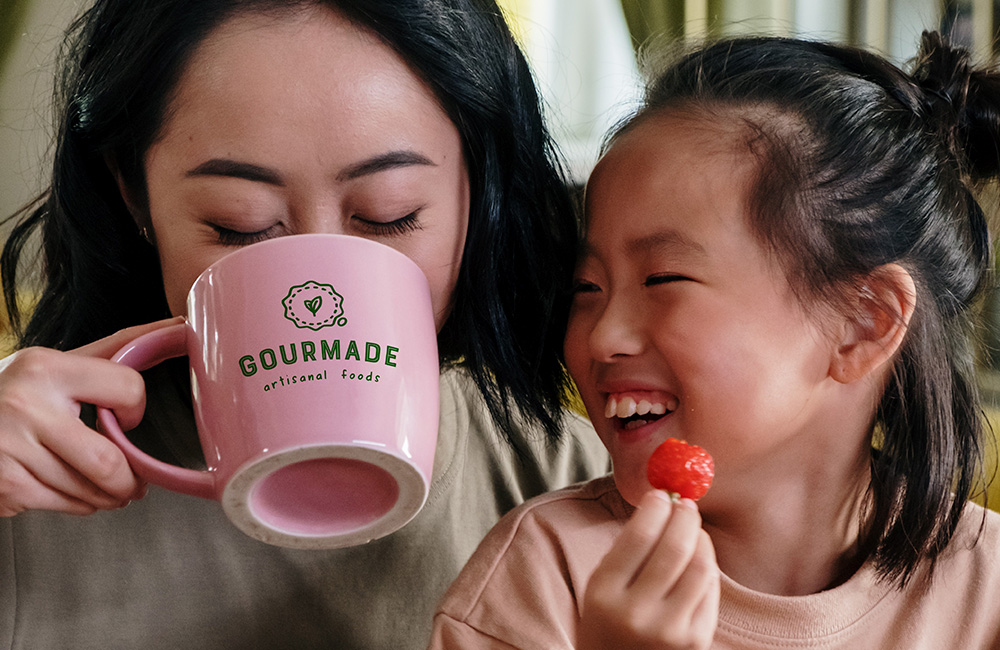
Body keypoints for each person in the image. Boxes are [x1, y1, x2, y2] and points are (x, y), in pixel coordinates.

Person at [0, 1, 611, 648]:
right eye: (240, 223)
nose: (320, 283)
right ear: (134, 196)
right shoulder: (25, 481)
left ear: (477, 192)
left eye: (389, 215)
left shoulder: (579, 483)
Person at [429, 31, 1000, 649]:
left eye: (663, 279)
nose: (602, 337)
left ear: (863, 323)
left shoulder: (985, 589)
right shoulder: (548, 575)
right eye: (586, 289)